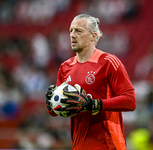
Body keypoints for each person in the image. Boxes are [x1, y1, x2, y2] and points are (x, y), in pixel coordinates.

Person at [45, 14, 136, 150]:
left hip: (108, 145)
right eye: (71, 30)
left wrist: (95, 104)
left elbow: (130, 101)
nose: (72, 35)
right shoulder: (65, 67)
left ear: (93, 36)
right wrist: (50, 104)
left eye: (79, 31)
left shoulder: (109, 62)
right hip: (79, 146)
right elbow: (59, 109)